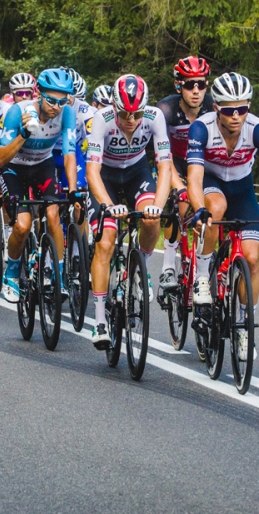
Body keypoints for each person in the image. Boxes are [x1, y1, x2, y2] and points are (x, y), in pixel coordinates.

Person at [185, 72, 259, 361]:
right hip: (212, 183)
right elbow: (194, 176)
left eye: (242, 109)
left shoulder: (258, 129)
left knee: (253, 259)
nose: (236, 116)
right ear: (216, 107)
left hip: (243, 190)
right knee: (215, 208)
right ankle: (203, 277)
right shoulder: (201, 128)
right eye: (229, 110)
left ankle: (244, 324)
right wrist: (199, 210)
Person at [85, 74, 171, 348]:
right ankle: (99, 319)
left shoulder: (155, 117)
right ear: (114, 107)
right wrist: (108, 207)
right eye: (125, 113)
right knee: (106, 240)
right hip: (107, 176)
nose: (131, 119)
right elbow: (92, 171)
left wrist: (158, 204)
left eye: (137, 113)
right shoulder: (102, 119)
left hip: (136, 171)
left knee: (151, 219)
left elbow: (165, 167)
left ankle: (140, 266)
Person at [0, 68, 80, 302]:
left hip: (42, 164)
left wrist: (72, 189)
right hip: (15, 167)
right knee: (22, 225)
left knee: (53, 214)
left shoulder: (67, 114)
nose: (56, 106)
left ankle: (58, 276)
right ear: (39, 93)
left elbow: (69, 153)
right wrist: (22, 134)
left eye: (62, 101)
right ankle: (11, 273)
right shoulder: (17, 111)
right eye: (51, 100)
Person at [155, 56, 214, 291]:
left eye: (201, 84)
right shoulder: (166, 109)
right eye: (190, 85)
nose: (196, 90)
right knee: (180, 203)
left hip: (201, 163)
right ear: (178, 85)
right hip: (173, 162)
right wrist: (180, 187)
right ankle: (169, 265)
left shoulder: (212, 106)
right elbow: (163, 155)